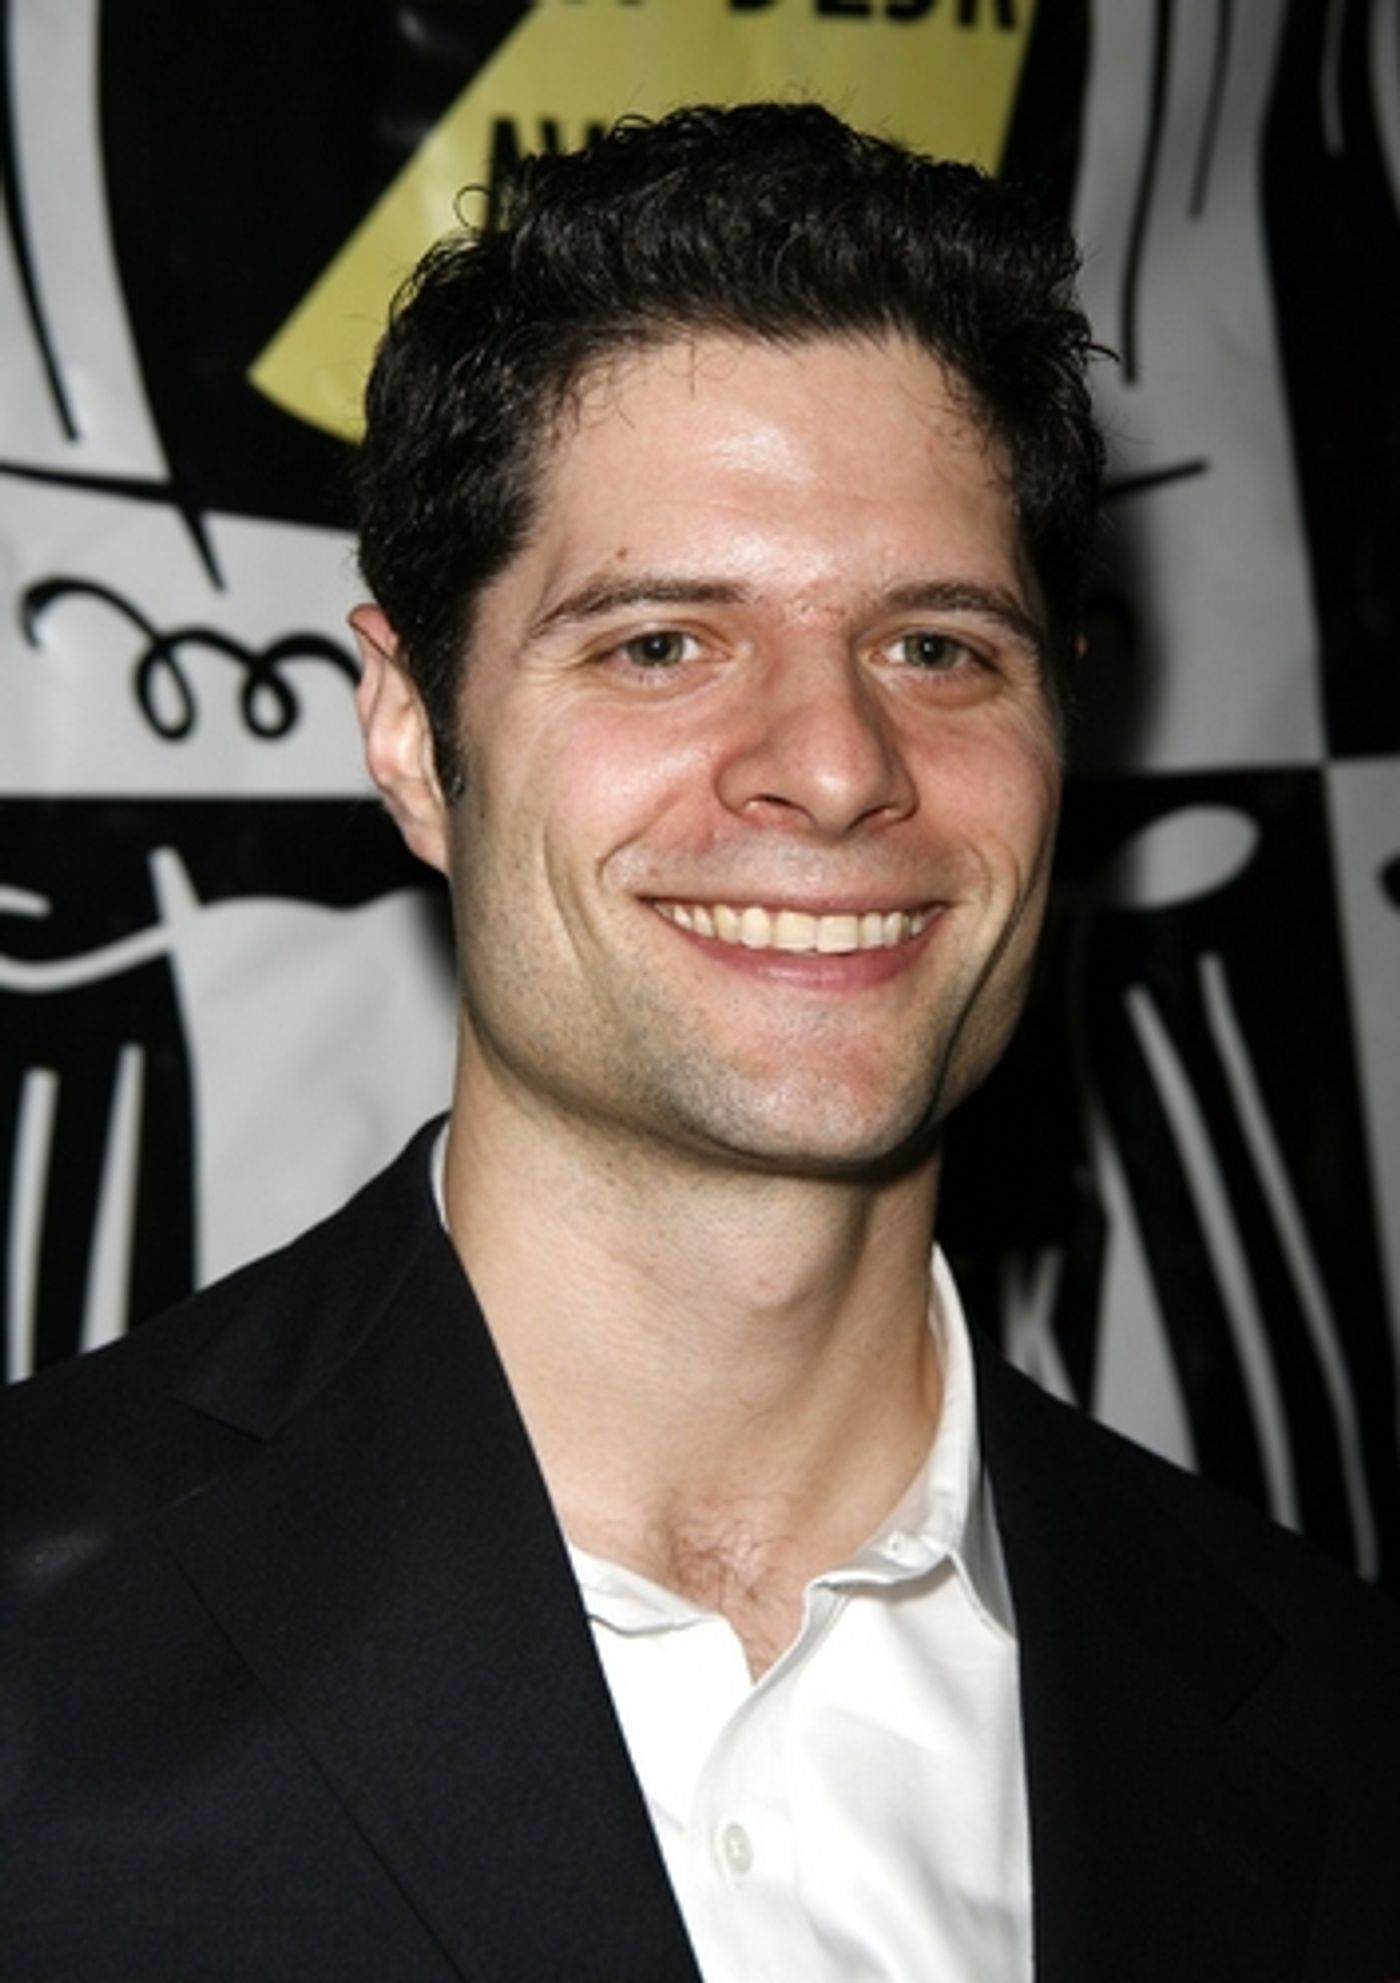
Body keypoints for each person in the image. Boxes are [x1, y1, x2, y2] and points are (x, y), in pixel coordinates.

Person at [3, 103, 1397, 1983]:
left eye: (937, 647)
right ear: (412, 735)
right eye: (662, 643)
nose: (833, 767)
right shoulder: (34, 1647)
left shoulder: (1340, 1717)